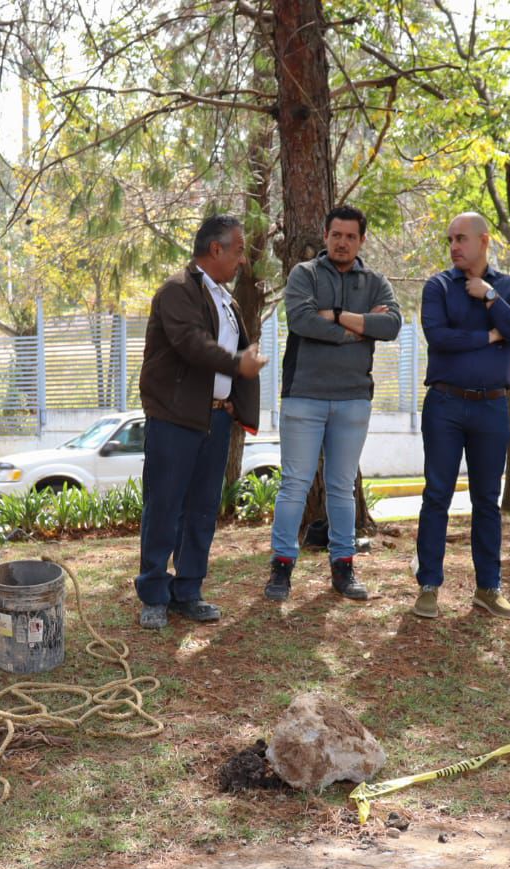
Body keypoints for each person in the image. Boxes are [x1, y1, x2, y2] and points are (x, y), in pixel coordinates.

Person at [135, 215, 268, 629]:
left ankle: (188, 591)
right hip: (175, 420)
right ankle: (154, 594)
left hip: (215, 421)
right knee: (165, 508)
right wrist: (238, 364)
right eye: (239, 250)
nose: (243, 260)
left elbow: (227, 351)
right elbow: (192, 344)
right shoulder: (177, 291)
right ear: (216, 249)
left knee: (202, 511)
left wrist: (234, 402)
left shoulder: (225, 300)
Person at [264, 205, 402, 603]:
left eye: (351, 236)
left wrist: (338, 314)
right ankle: (282, 568)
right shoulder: (303, 274)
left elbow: (391, 324)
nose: (343, 242)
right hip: (303, 396)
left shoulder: (375, 282)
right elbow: (302, 320)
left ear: (361, 241)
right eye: (336, 235)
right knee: (294, 485)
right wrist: (357, 329)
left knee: (341, 488)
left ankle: (343, 568)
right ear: (325, 237)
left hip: (353, 399)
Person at [412, 212, 510, 620]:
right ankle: (428, 586)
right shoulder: (438, 286)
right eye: (450, 240)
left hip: (492, 406)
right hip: (445, 404)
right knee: (437, 495)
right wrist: (488, 336)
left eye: (461, 238)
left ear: (484, 241)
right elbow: (439, 338)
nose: (454, 247)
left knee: (486, 500)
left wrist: (491, 299)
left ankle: (488, 587)